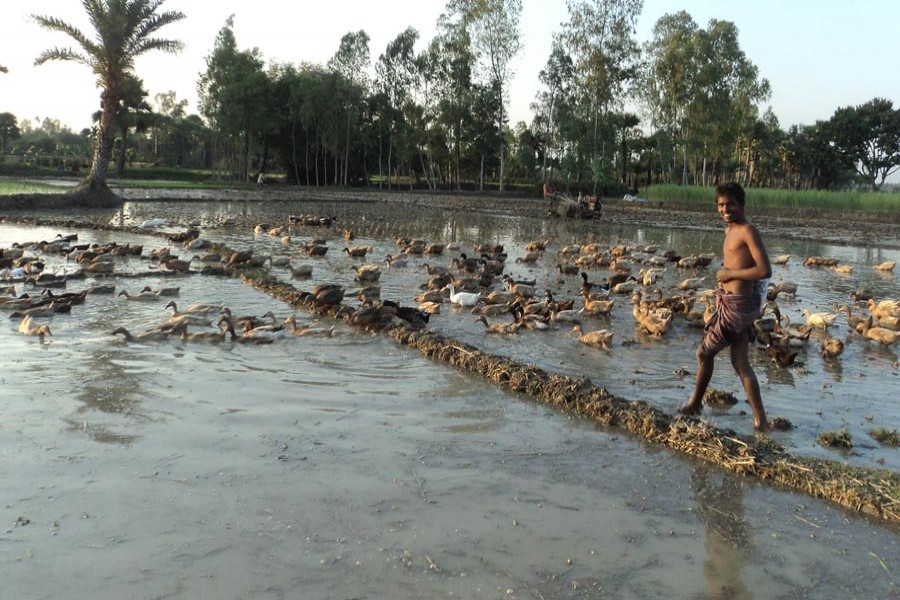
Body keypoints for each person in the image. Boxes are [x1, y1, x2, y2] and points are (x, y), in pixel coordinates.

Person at [679, 182, 772, 431]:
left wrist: (731, 274)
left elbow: (765, 270)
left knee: (704, 353)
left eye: (730, 204)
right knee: (741, 363)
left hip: (738, 307)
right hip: (736, 304)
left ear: (741, 204)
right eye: (721, 205)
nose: (725, 209)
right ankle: (761, 422)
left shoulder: (747, 231)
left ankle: (695, 404)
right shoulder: (729, 231)